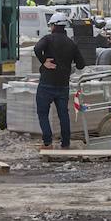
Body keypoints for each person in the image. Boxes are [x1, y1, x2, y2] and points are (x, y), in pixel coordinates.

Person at [33, 12, 85, 149]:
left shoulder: (48, 39)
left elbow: (37, 48)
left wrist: (44, 61)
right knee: (63, 114)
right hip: (63, 85)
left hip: (46, 83)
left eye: (51, 25)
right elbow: (81, 64)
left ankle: (47, 142)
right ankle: (65, 143)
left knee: (43, 112)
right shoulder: (71, 43)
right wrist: (69, 64)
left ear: (55, 26)